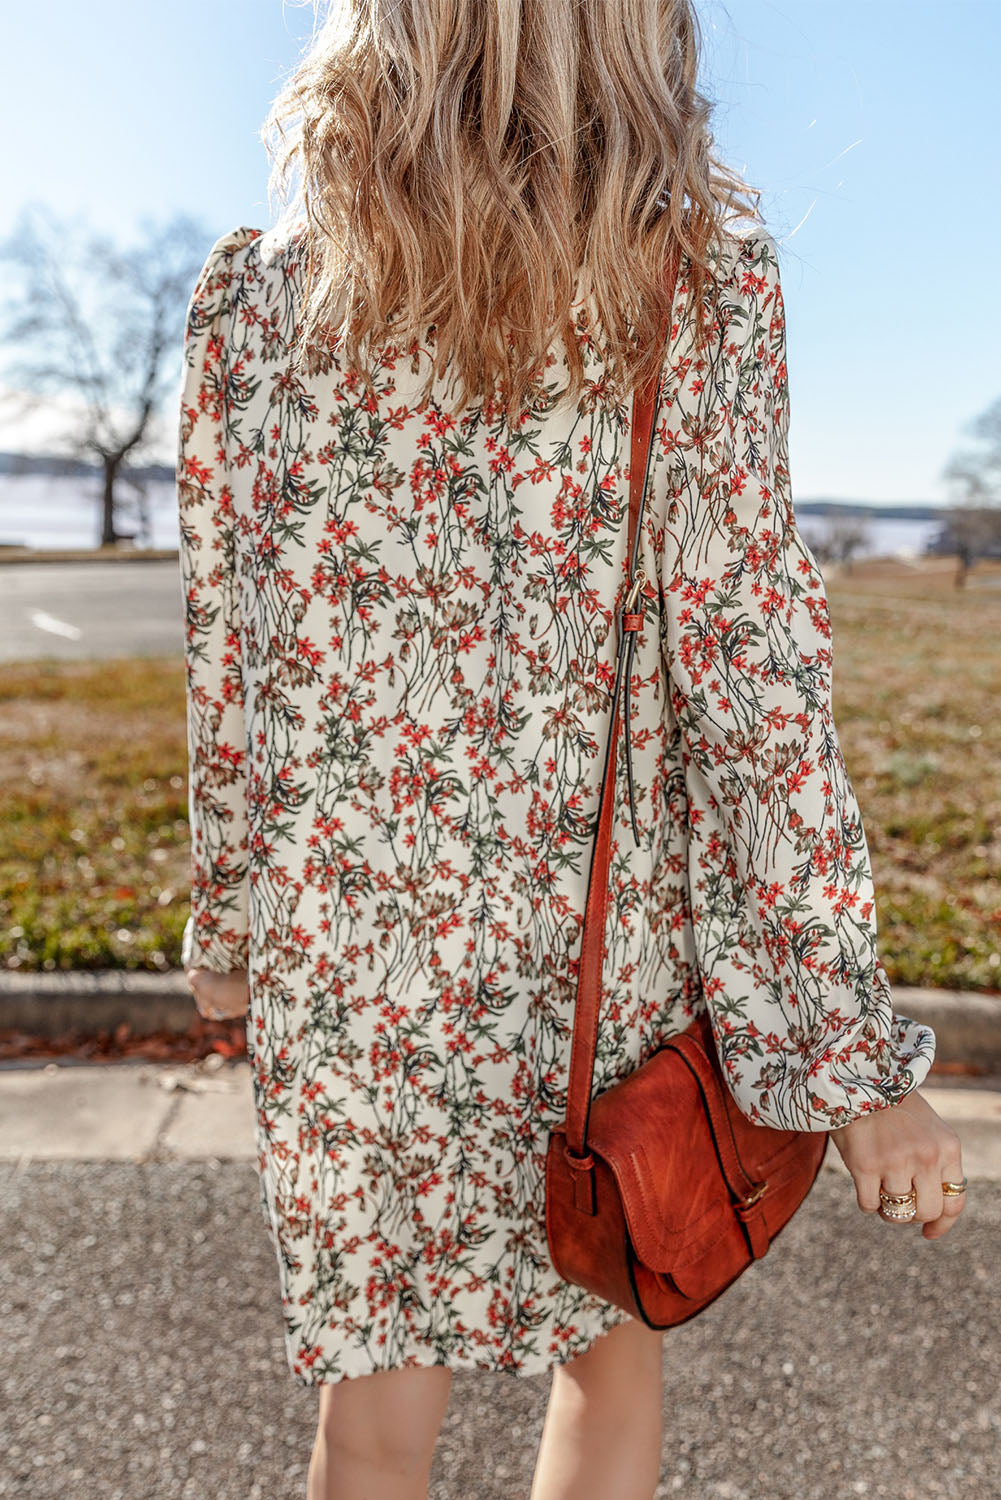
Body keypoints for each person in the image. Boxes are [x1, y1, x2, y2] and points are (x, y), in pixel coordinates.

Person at [177, 3, 967, 1497]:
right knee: (609, 1355)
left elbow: (236, 659)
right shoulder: (693, 287)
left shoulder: (255, 307)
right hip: (598, 960)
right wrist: (854, 1065)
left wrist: (230, 922)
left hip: (354, 958)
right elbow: (751, 686)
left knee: (372, 1404)